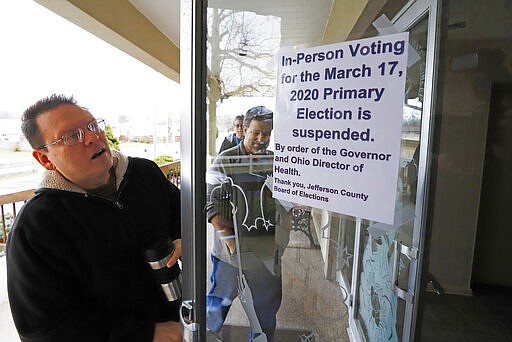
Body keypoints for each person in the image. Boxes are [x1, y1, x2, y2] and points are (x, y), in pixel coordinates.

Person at [6, 94, 183, 342]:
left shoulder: (144, 173)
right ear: (45, 159)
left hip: (180, 320)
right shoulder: (36, 227)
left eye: (91, 126)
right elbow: (43, 330)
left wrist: (182, 235)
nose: (92, 137)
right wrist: (146, 334)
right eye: (71, 136)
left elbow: (180, 212)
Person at [205, 106, 290, 342]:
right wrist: (233, 246)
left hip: (266, 254)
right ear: (244, 130)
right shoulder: (226, 160)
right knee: (216, 307)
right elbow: (212, 205)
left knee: (265, 315)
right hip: (231, 256)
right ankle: (202, 336)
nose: (261, 139)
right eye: (256, 132)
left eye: (267, 134)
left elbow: (289, 203)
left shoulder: (277, 161)